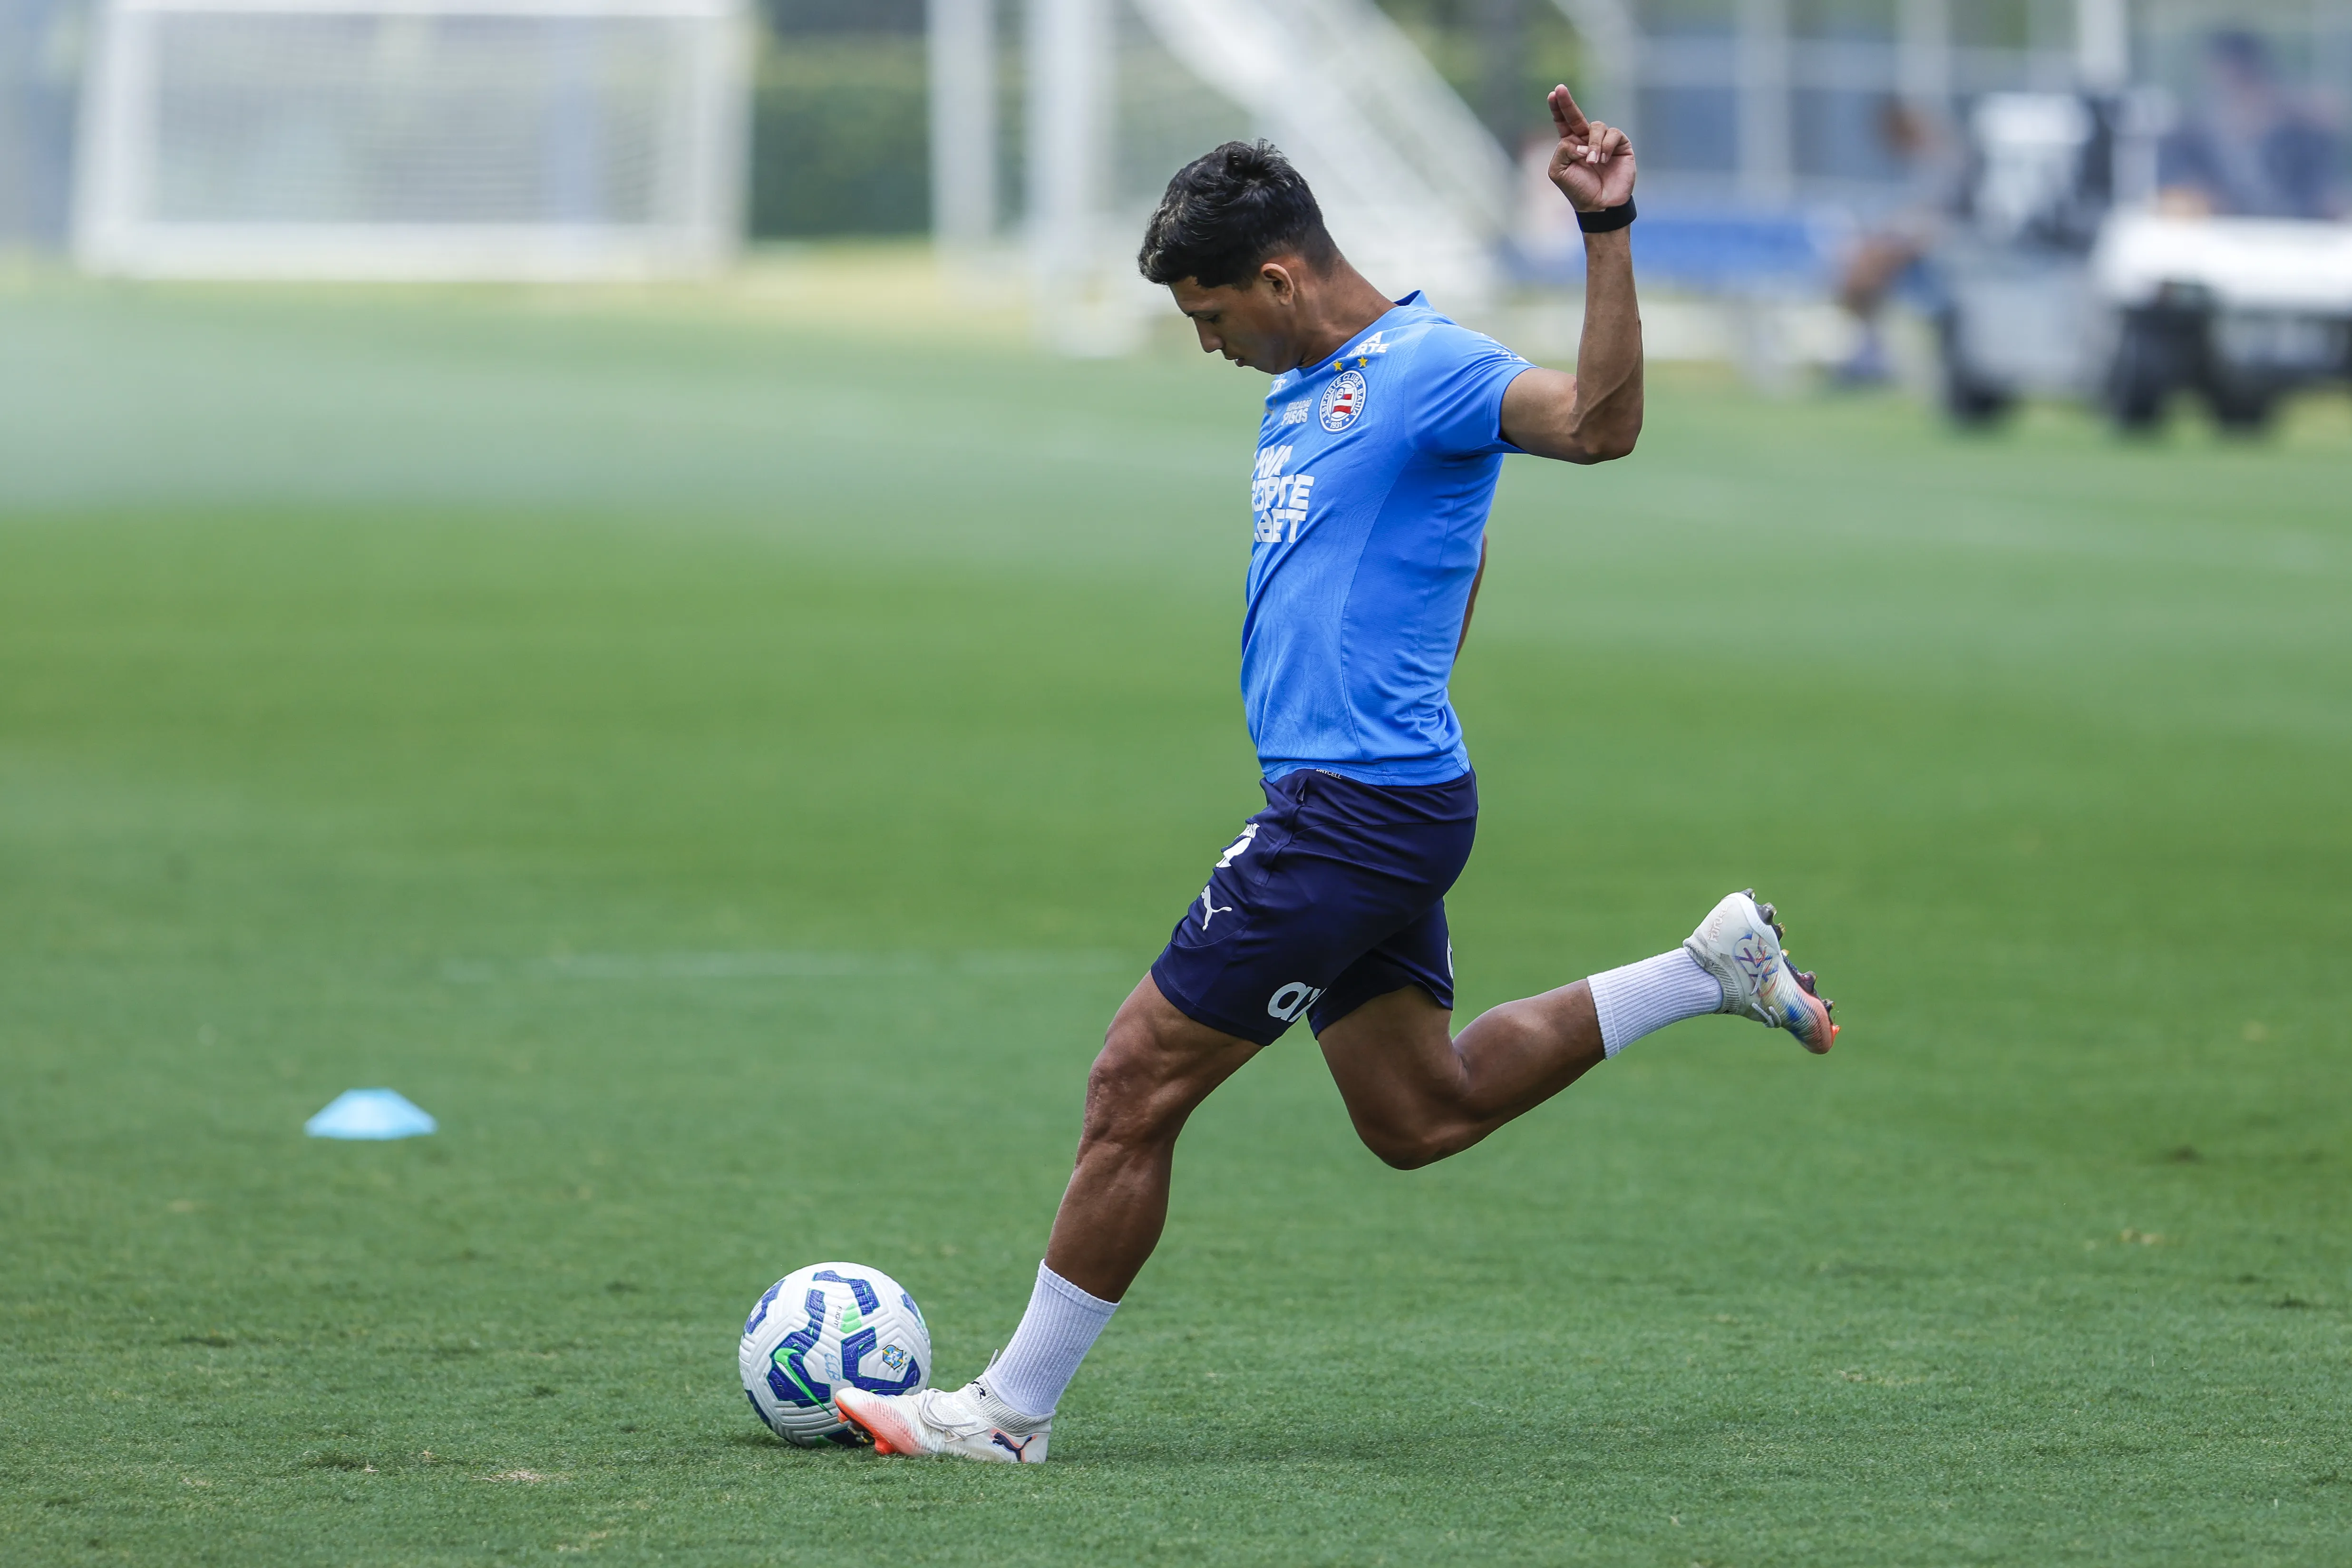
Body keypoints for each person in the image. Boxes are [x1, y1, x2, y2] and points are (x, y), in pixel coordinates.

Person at [835, 86, 1837, 1465]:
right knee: (1419, 1115)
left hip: (1352, 816)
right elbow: (1450, 555)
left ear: (1278, 276)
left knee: (1134, 1083)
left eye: (1210, 317)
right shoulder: (1302, 390)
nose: (1207, 345)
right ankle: (1706, 967)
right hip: (1369, 801)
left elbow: (1599, 423)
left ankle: (1008, 1415)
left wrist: (1606, 231)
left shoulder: (1424, 366)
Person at [2157, 29, 2340, 221]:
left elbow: (2325, 197)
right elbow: (2176, 195)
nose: (2237, 91)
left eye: (2244, 79)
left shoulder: (2299, 137)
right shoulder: (2191, 138)